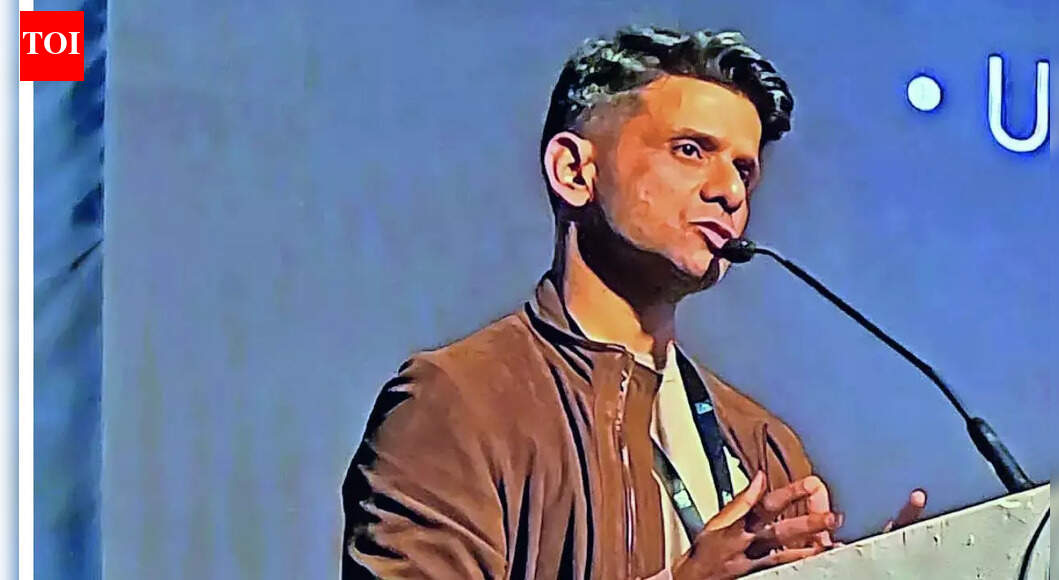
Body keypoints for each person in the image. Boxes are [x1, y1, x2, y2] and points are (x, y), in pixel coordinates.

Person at [341, 25, 926, 579]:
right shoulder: (458, 402)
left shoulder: (763, 444)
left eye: (744, 170)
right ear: (574, 171)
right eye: (691, 150)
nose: (729, 191)